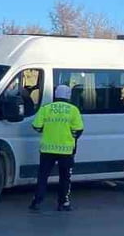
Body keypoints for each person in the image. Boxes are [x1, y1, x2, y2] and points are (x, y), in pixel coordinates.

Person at [29, 83, 84, 212]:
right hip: (66, 150)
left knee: (43, 176)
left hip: (47, 149)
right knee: (65, 178)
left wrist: (46, 131)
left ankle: (37, 201)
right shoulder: (73, 110)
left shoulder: (46, 108)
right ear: (68, 96)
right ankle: (63, 203)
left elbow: (36, 126)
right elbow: (78, 130)